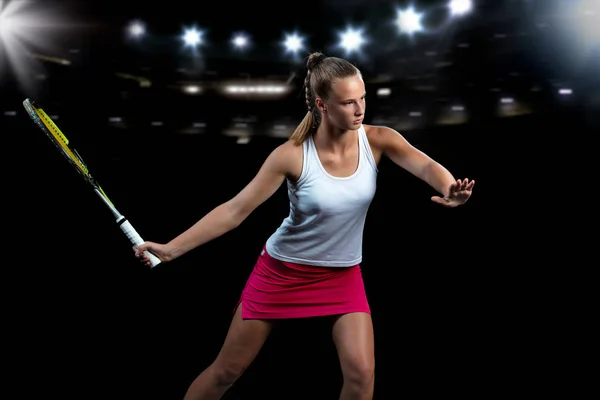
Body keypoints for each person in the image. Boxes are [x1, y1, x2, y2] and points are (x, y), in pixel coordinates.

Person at [134, 51, 475, 400]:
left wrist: (450, 188)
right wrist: (172, 249)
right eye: (348, 102)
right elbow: (235, 211)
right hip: (281, 273)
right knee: (226, 371)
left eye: (363, 99)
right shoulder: (292, 155)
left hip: (342, 274)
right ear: (322, 105)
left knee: (362, 374)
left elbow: (426, 166)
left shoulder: (378, 139)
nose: (360, 109)